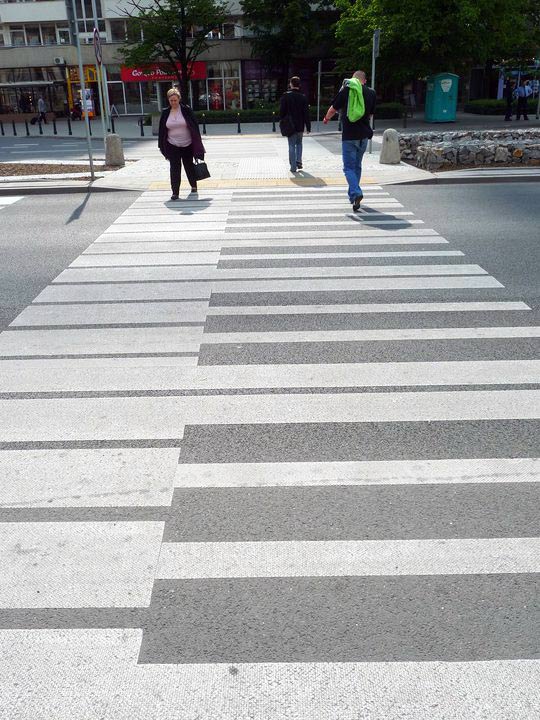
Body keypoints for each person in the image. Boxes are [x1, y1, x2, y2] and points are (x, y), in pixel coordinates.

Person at [323, 70, 376, 211]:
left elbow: (333, 108)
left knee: (348, 168)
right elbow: (370, 114)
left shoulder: (347, 90)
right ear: (364, 81)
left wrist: (326, 118)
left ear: (352, 79)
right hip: (364, 136)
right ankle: (353, 196)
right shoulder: (371, 93)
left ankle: (356, 192)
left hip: (349, 136)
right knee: (357, 166)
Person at [158, 87, 205, 201]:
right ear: (168, 101)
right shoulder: (165, 112)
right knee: (174, 168)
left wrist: (197, 142)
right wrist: (161, 145)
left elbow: (194, 126)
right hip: (172, 144)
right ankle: (175, 192)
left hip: (187, 143)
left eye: (175, 100)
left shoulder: (186, 110)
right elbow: (162, 130)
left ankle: (193, 186)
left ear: (179, 99)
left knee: (188, 165)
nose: (173, 102)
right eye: (171, 101)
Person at [279, 76, 311, 173]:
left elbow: (281, 112)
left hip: (290, 125)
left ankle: (293, 167)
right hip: (300, 125)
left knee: (291, 145)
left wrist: (282, 121)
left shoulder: (285, 96)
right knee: (299, 143)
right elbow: (306, 113)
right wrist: (308, 127)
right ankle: (299, 161)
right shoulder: (303, 97)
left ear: (291, 84)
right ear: (299, 85)